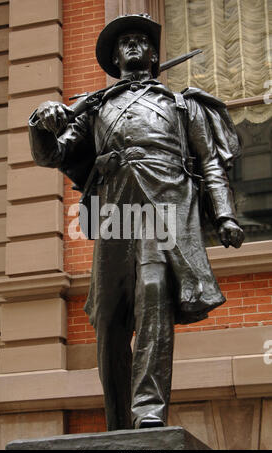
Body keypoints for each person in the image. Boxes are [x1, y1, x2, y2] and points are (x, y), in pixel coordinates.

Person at [28, 14, 244, 431]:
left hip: (164, 209)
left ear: (153, 54)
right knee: (109, 317)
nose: (131, 46)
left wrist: (225, 214)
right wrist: (42, 121)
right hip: (114, 213)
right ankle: (117, 421)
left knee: (152, 295)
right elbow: (51, 155)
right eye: (123, 42)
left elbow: (211, 163)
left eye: (139, 41)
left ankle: (148, 412)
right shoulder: (95, 108)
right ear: (113, 57)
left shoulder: (181, 104)